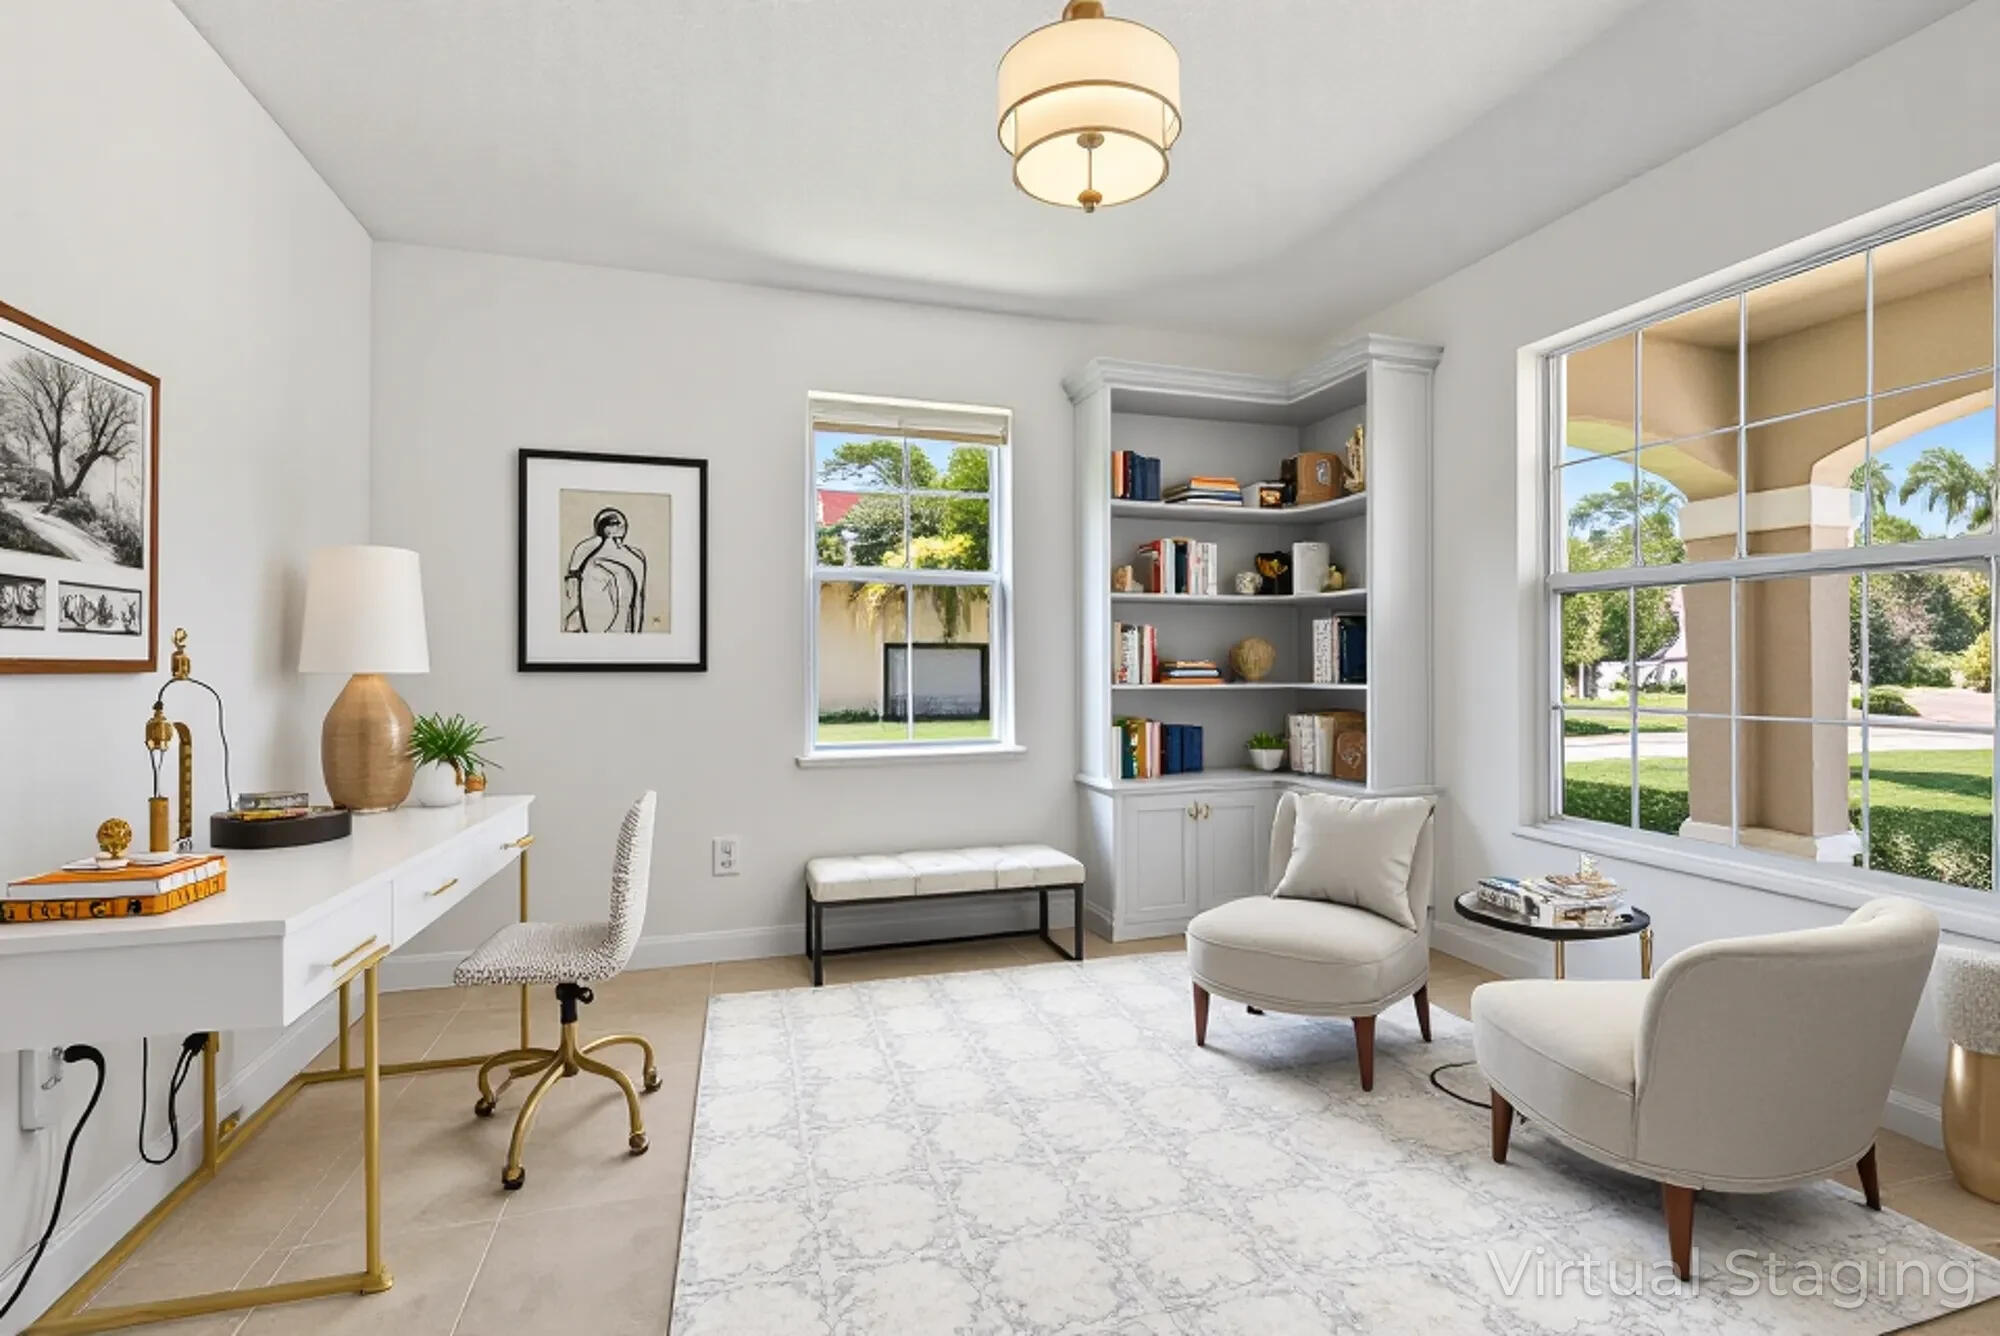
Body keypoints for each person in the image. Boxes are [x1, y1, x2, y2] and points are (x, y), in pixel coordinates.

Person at [563, 506, 648, 633]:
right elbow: (573, 587)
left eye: (618, 523)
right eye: (614, 523)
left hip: (620, 625)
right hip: (602, 622)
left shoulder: (635, 555)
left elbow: (638, 598)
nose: (621, 526)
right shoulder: (587, 550)